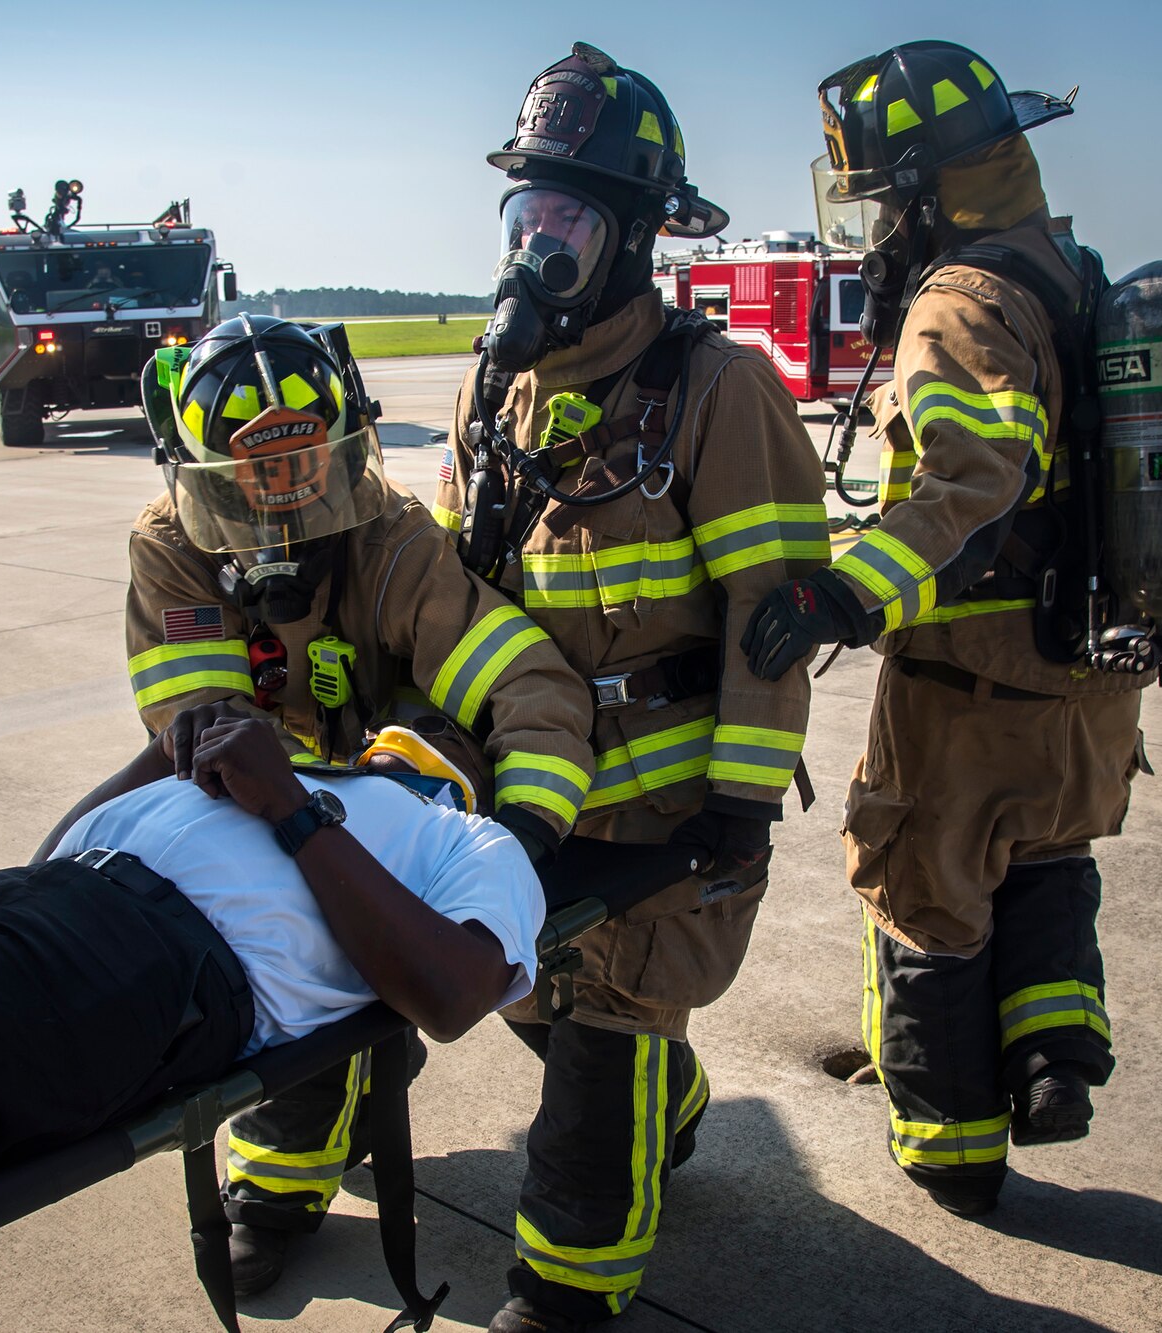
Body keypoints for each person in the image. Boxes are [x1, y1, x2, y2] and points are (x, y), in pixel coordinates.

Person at [433, 44, 829, 1331]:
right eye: (523, 215)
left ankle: (563, 1297)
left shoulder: (718, 391)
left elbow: (772, 620)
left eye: (567, 221)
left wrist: (740, 807)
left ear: (633, 238)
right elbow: (454, 595)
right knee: (526, 993)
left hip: (671, 813)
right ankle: (679, 1095)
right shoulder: (488, 393)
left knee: (606, 1034)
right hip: (538, 797)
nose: (534, 249)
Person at [741, 41, 1148, 1217]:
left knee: (921, 891)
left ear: (926, 190)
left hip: (972, 680)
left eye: (879, 199)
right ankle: (1052, 1056)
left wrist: (844, 590)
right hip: (1085, 676)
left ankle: (949, 1146)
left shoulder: (957, 301)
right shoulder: (1061, 269)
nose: (869, 227)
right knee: (1042, 855)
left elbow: (967, 485)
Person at [127, 312, 596, 1290]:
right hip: (268, 802)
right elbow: (194, 716)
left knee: (545, 996)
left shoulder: (389, 538)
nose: (288, 505)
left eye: (309, 465)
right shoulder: (172, 546)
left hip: (406, 795)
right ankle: (278, 1188)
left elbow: (527, 685)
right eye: (253, 476)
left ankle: (659, 1103)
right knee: (275, 970)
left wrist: (518, 840)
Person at [0, 708, 543, 1222]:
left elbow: (452, 995)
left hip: (141, 957)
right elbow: (49, 854)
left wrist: (294, 808)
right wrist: (165, 749)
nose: (413, 728)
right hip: (22, 893)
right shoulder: (283, 765)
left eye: (448, 729)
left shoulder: (469, 841)